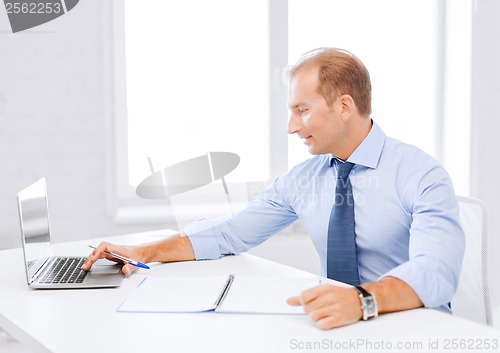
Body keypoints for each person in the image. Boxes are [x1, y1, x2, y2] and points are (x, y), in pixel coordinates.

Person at [82, 48, 464, 330]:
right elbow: (230, 233)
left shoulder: (421, 175)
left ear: (344, 106)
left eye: (302, 110)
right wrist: (141, 251)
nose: (292, 126)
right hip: (338, 328)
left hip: (415, 330)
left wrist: (361, 301)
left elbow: (437, 273)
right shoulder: (304, 178)